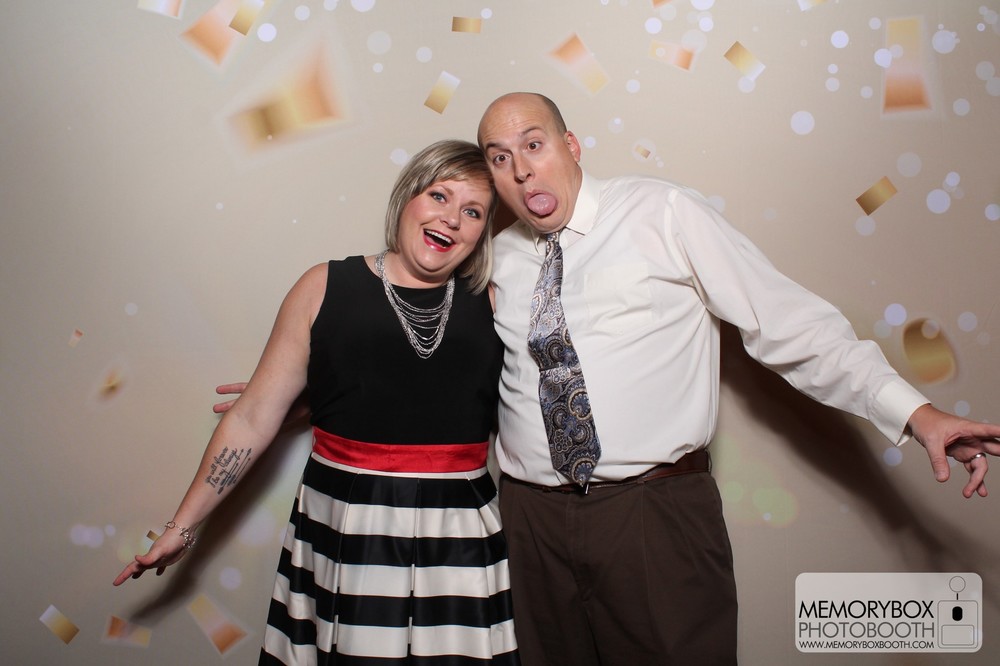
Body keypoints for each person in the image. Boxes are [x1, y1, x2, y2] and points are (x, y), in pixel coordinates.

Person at [474, 92, 1000, 665]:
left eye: (534, 144)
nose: (521, 169)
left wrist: (916, 413)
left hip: (650, 512)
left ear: (571, 145)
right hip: (530, 521)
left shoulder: (663, 212)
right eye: (499, 157)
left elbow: (786, 322)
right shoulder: (498, 257)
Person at [113, 140, 520, 665]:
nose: (452, 219)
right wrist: (181, 528)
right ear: (406, 197)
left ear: (482, 232)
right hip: (343, 524)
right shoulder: (323, 286)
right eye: (439, 196)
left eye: (473, 212)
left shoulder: (495, 302)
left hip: (457, 532)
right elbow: (253, 417)